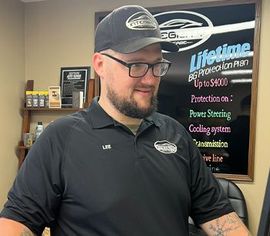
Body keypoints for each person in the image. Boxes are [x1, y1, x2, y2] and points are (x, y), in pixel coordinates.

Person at [0, 5, 250, 236]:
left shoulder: (175, 134)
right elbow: (17, 223)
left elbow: (219, 216)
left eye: (157, 65)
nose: (150, 79)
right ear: (100, 64)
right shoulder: (59, 139)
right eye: (137, 65)